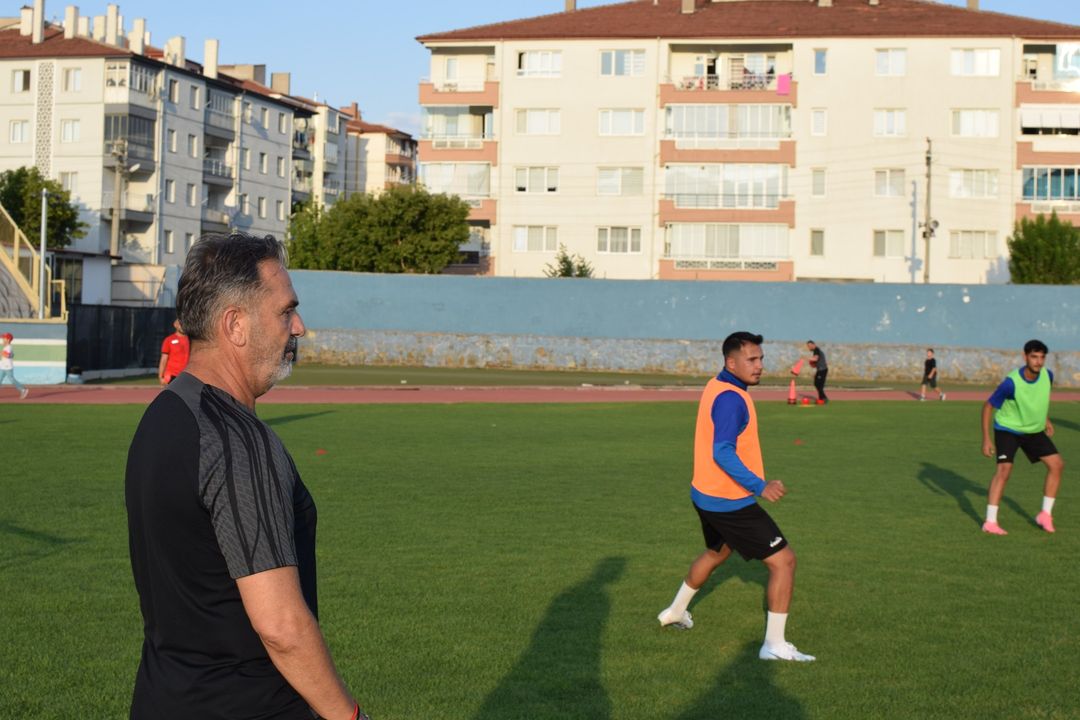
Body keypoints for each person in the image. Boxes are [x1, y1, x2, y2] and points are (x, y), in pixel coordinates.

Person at [125, 233, 368, 720]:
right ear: (235, 324)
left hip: (161, 697)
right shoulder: (236, 440)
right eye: (285, 311)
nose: (298, 326)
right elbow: (280, 625)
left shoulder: (161, 417)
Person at [657, 331, 814, 662]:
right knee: (784, 561)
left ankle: (675, 611)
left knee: (716, 553)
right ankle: (773, 645)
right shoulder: (731, 399)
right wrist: (760, 485)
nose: (759, 366)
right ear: (731, 362)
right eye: (751, 360)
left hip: (704, 494)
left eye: (761, 359)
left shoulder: (718, 385)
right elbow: (722, 452)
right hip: (730, 501)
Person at [980, 339, 1063, 535]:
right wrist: (986, 439)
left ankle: (1045, 515)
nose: (1038, 361)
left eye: (1042, 357)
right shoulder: (1011, 383)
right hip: (1008, 429)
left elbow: (1038, 398)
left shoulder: (1047, 376)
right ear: (1025, 357)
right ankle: (990, 522)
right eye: (1034, 357)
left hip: (1033, 430)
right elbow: (988, 406)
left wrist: (1045, 419)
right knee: (1004, 470)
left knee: (1057, 464)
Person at [157, 319, 190, 385]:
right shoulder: (169, 340)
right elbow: (164, 359)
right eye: (181, 324)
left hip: (187, 374)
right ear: (176, 325)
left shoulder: (191, 340)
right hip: (172, 375)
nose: (183, 327)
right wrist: (161, 376)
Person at [0, 332, 29, 399]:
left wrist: (2, 353)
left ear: (8, 340)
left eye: (4, 338)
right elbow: (11, 355)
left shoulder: (9, 347)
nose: (2, 339)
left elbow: (8, 355)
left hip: (8, 367)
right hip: (2, 367)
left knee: (12, 380)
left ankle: (23, 389)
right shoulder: (6, 347)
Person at [806, 340, 828, 404]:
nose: (809, 347)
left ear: (813, 344)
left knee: (819, 385)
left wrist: (806, 358)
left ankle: (822, 399)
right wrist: (814, 364)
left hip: (822, 370)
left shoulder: (816, 350)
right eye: (808, 346)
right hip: (820, 370)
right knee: (817, 384)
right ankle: (822, 398)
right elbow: (817, 361)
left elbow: (815, 359)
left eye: (809, 346)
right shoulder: (816, 350)